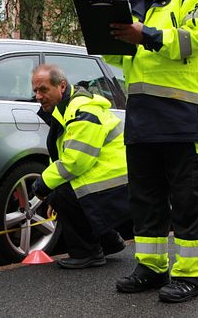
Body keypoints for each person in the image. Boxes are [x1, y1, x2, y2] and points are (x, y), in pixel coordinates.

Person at [105, 0, 198, 303]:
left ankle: (189, 276)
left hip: (187, 120)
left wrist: (145, 35)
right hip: (143, 120)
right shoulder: (131, 1)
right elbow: (120, 59)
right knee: (146, 200)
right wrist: (108, 38)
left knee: (188, 202)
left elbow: (194, 39)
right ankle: (151, 268)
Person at [30, 64, 130, 269]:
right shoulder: (64, 110)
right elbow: (63, 155)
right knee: (59, 191)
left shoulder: (83, 111)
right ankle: (108, 241)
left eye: (43, 89)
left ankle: (88, 253)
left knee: (63, 194)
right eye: (35, 91)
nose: (38, 96)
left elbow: (76, 161)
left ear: (62, 87)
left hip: (117, 182)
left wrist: (43, 185)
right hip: (109, 176)